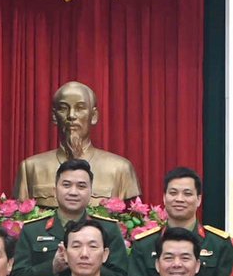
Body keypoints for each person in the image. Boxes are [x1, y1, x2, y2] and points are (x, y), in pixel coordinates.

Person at [12, 80, 143, 206]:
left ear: (94, 116)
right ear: (54, 116)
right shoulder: (30, 168)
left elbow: (132, 220)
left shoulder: (120, 169)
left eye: (80, 108)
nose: (72, 115)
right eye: (63, 109)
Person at [11, 158, 130, 276]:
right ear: (55, 189)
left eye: (81, 186)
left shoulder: (108, 229)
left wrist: (90, 265)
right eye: (66, 185)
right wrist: (52, 267)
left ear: (91, 191)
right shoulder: (33, 230)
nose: (73, 192)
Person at [126, 166, 233, 276]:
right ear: (164, 198)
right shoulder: (144, 244)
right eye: (173, 193)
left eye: (187, 194)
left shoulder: (219, 243)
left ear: (199, 199)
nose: (179, 199)